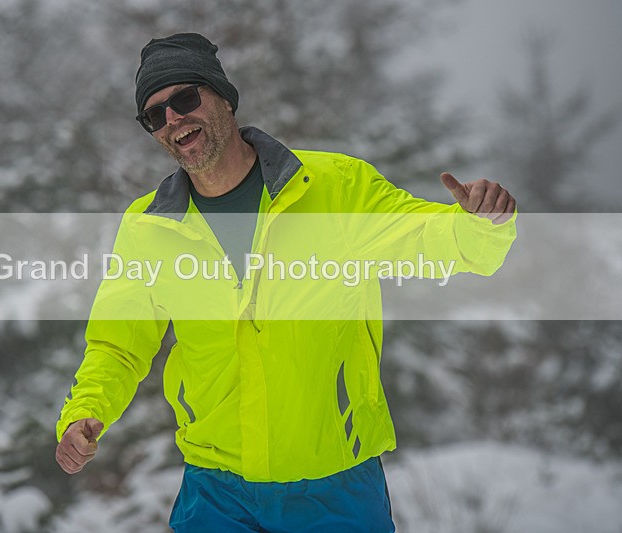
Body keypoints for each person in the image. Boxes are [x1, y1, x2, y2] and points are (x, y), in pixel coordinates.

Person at [55, 33, 516, 532]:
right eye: (155, 114)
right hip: (216, 490)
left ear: (223, 99)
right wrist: (85, 411)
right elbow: (117, 345)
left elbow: (425, 237)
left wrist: (478, 225)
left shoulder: (334, 187)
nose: (172, 119)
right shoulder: (148, 226)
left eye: (185, 99)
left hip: (334, 486)